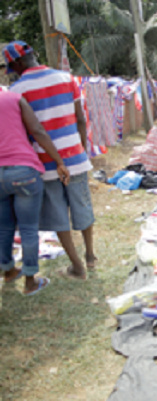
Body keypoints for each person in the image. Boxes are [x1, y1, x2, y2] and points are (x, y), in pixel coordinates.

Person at [6, 41, 96, 280]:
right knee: (83, 205)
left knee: (58, 215)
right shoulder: (67, 79)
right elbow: (80, 119)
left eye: (11, 67)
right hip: (75, 157)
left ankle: (77, 266)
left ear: (17, 63)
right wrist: (81, 150)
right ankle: (90, 255)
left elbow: (29, 130)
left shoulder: (16, 90)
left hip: (45, 162)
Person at [0, 90, 70, 294]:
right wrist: (59, 161)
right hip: (24, 171)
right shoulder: (13, 98)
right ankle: (30, 282)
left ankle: (9, 271)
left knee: (3, 228)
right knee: (28, 228)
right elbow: (37, 131)